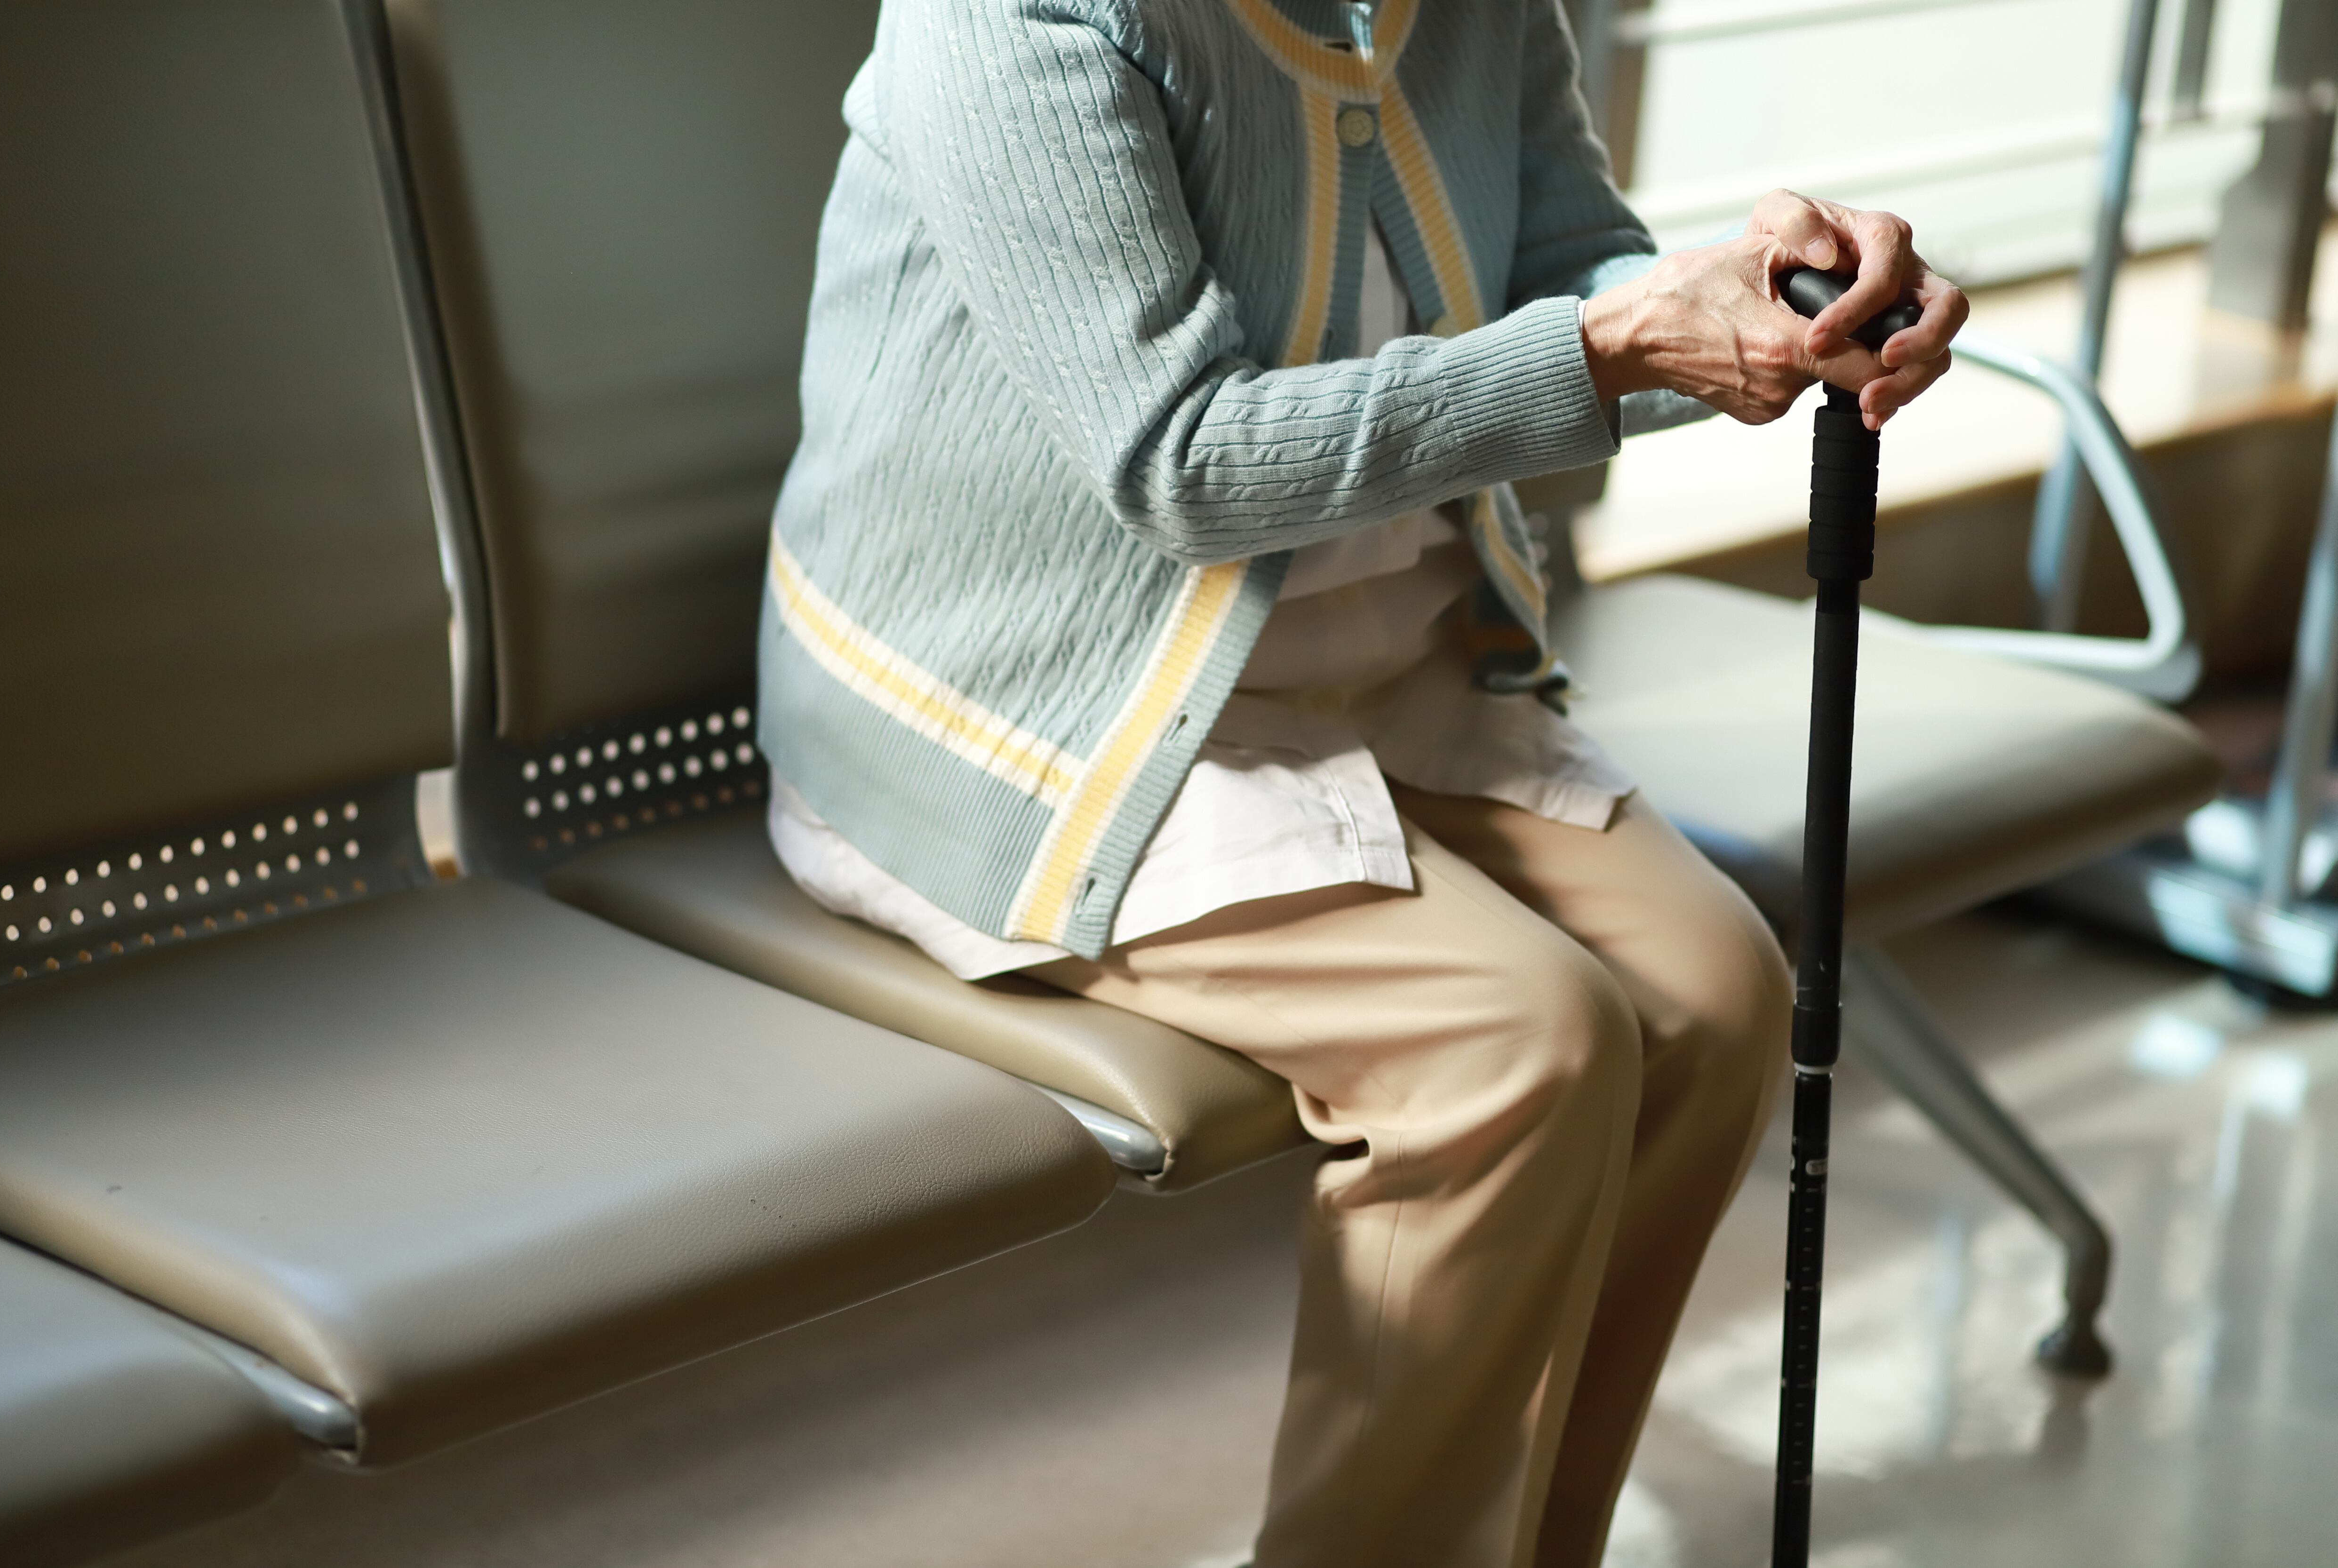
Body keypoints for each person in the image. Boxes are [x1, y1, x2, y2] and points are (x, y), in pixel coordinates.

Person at [758, 1, 1966, 1563]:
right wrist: (1611, 346)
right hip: (1032, 703)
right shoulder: (1018, 19)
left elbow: (1577, 286)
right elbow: (1181, 463)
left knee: (1718, 997)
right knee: (1519, 1049)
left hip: (1378, 662)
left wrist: (1768, 318)